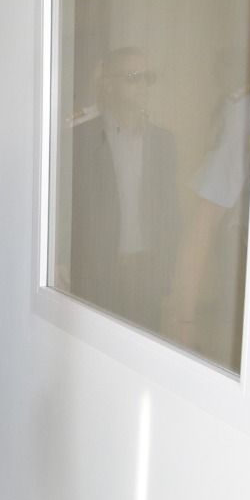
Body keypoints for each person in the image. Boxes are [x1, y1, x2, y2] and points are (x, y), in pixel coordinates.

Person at [68, 47, 178, 330]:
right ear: (109, 84)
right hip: (97, 273)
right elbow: (72, 210)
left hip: (146, 273)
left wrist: (169, 278)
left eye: (147, 77)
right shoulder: (81, 140)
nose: (142, 86)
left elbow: (170, 213)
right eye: (132, 77)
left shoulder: (163, 143)